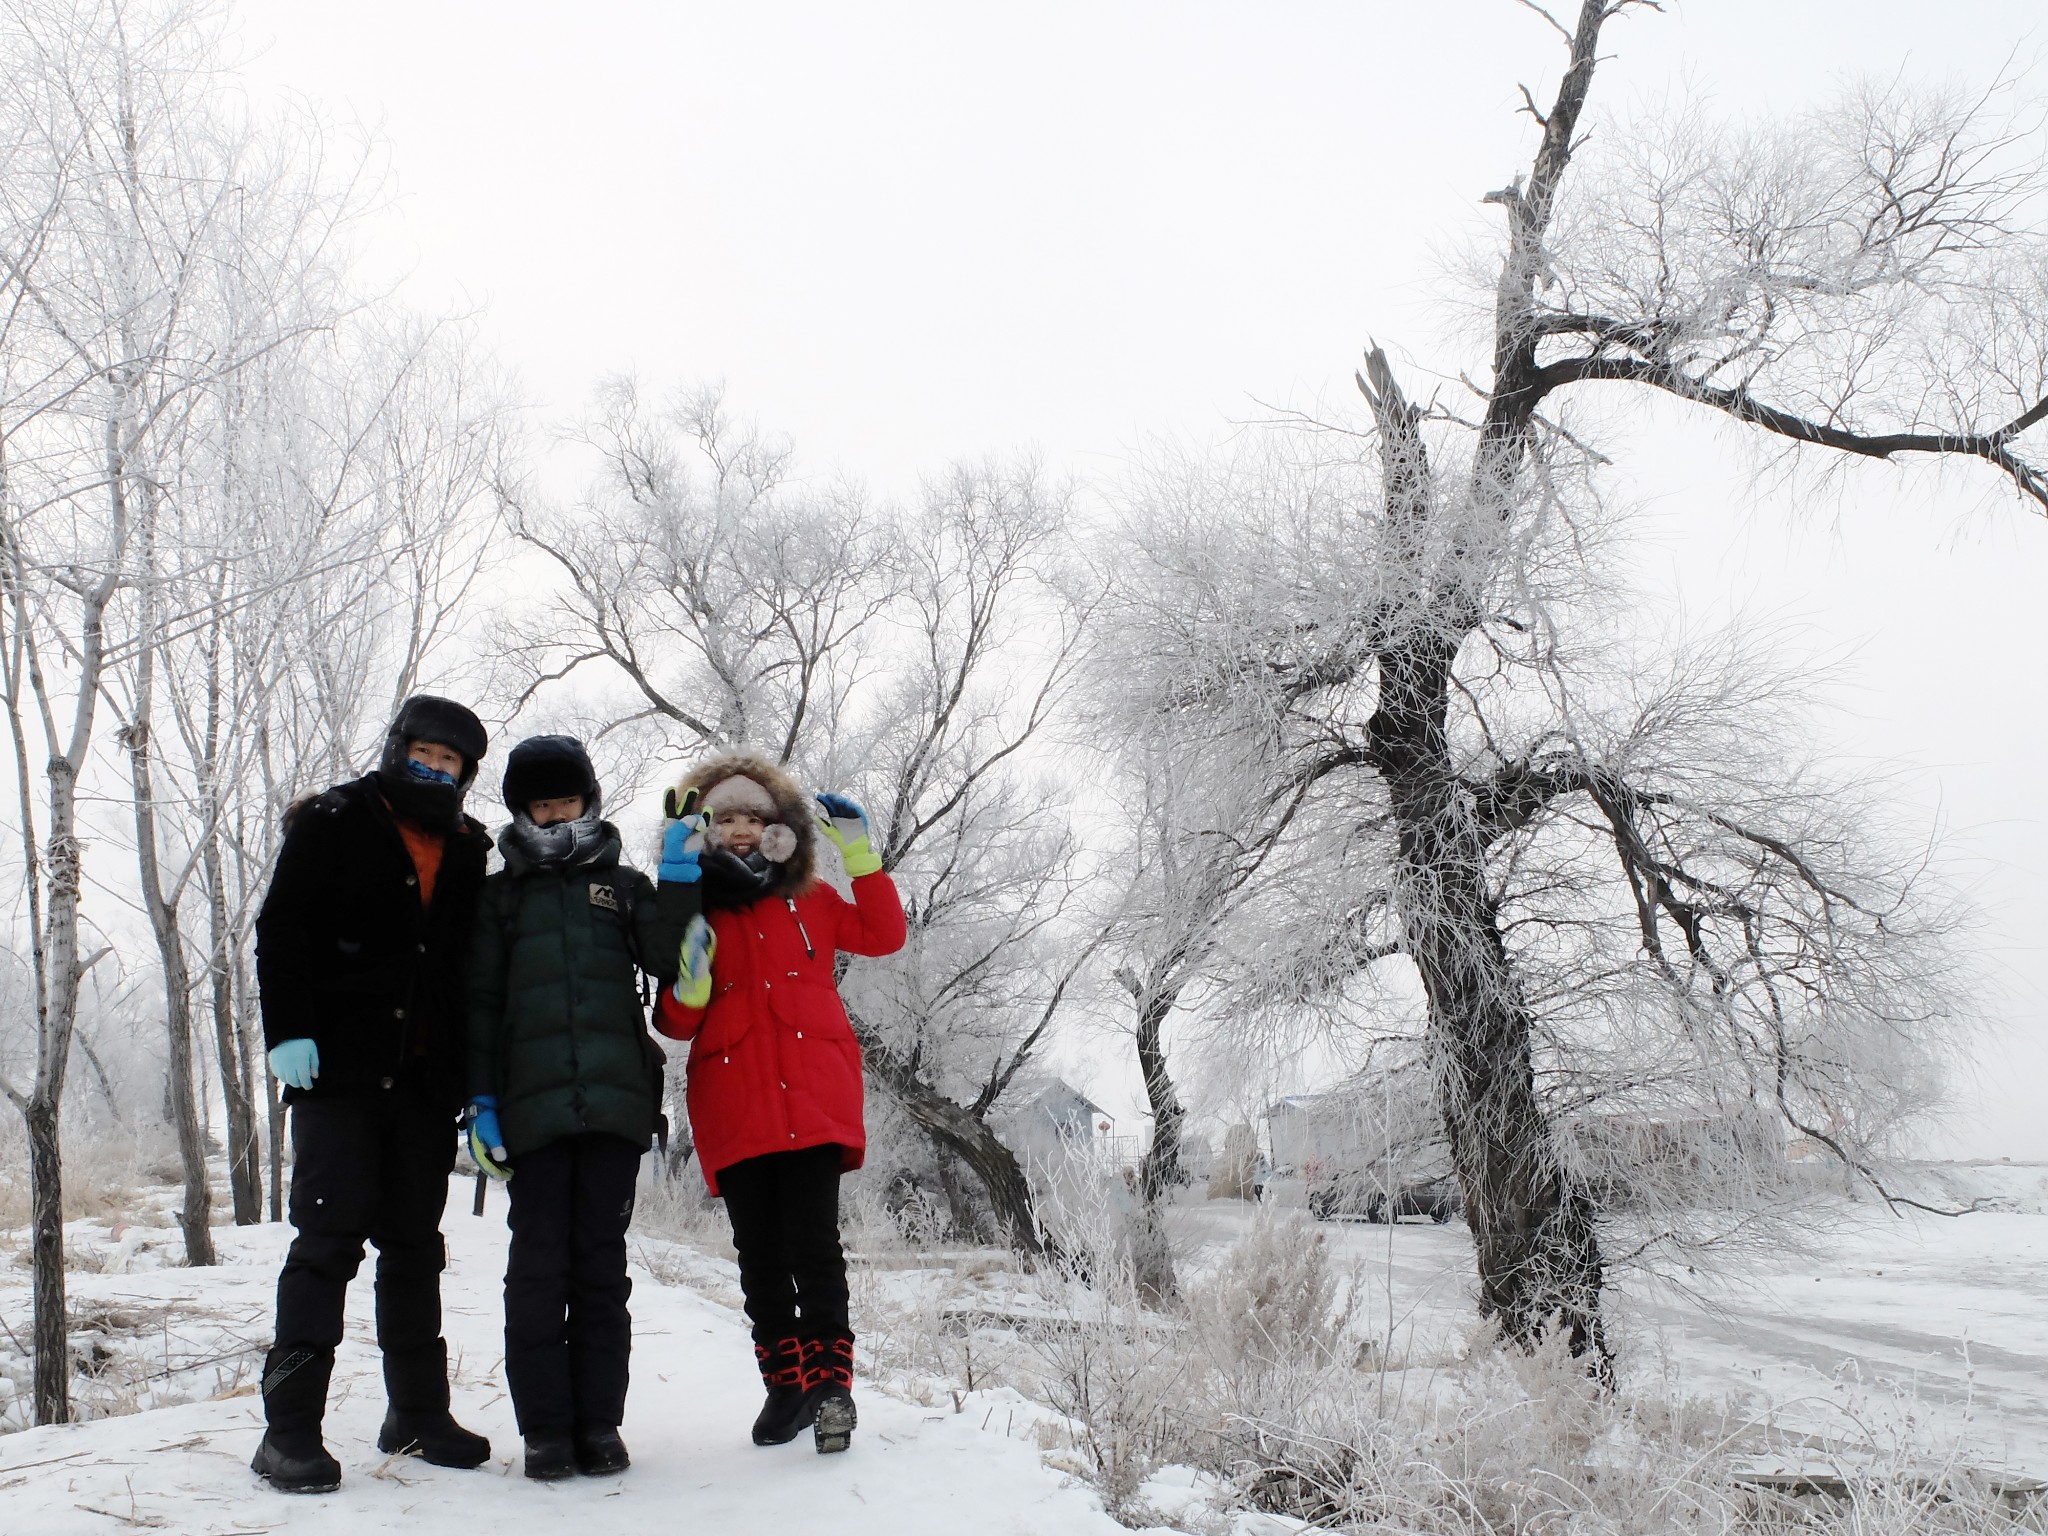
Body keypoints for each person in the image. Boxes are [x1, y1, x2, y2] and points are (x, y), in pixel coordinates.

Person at [250, 695, 495, 1494]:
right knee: (326, 1246)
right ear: (397, 748)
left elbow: (463, 969)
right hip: (339, 1074)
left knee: (415, 1249)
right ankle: (287, 1435)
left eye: (450, 762)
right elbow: (283, 927)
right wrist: (288, 1028)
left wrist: (470, 1082)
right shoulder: (335, 817)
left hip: (424, 1084)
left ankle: (417, 1416)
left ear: (466, 775)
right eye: (423, 753)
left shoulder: (465, 846)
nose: (433, 769)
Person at [652, 754, 905, 1455]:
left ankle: (831, 1389)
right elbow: (671, 1023)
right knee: (759, 1256)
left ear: (780, 828)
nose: (739, 830)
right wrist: (692, 986)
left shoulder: (815, 899)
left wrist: (860, 856)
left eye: (754, 818)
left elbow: (884, 935)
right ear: (704, 829)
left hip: (814, 1096)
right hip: (733, 1104)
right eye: (725, 818)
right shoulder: (689, 908)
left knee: (815, 1247)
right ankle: (784, 1386)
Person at [466, 736, 697, 1480]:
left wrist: (681, 871)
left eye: (566, 800)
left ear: (587, 801)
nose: (555, 813)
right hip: (530, 1114)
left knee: (600, 1269)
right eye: (541, 803)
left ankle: (599, 1424)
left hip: (614, 1106)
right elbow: (481, 1005)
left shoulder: (623, 888)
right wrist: (480, 1102)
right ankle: (544, 1431)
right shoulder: (501, 899)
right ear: (522, 810)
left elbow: (670, 956)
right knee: (536, 1270)